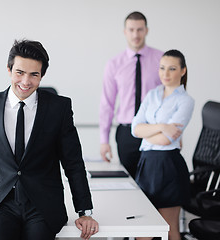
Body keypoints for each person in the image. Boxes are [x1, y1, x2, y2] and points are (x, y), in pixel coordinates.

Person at [0, 39, 99, 240]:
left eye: (34, 74)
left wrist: (84, 211)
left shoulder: (58, 108)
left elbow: (73, 163)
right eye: (20, 73)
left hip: (43, 203)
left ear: (42, 76)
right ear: (9, 70)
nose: (26, 82)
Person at [131, 50, 194, 240]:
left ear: (182, 71)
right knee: (143, 232)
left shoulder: (186, 101)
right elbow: (135, 129)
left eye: (172, 69)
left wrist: (147, 131)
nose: (165, 74)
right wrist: (162, 127)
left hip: (169, 167)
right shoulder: (152, 95)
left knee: (169, 230)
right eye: (162, 68)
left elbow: (167, 140)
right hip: (147, 165)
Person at [99, 11, 163, 178]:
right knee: (130, 182)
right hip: (127, 133)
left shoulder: (161, 60)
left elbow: (170, 97)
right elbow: (107, 103)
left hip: (154, 131)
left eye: (140, 29)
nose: (136, 34)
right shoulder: (114, 64)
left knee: (154, 182)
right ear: (125, 31)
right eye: (132, 29)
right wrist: (104, 140)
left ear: (146, 30)